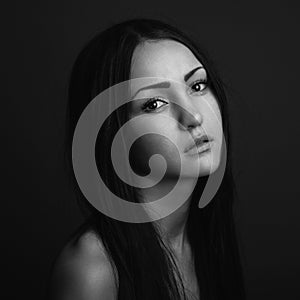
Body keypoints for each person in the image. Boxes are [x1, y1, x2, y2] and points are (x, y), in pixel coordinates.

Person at [46, 18, 247, 300]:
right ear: (111, 132)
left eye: (198, 86)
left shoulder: (205, 236)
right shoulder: (92, 269)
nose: (194, 116)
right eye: (154, 104)